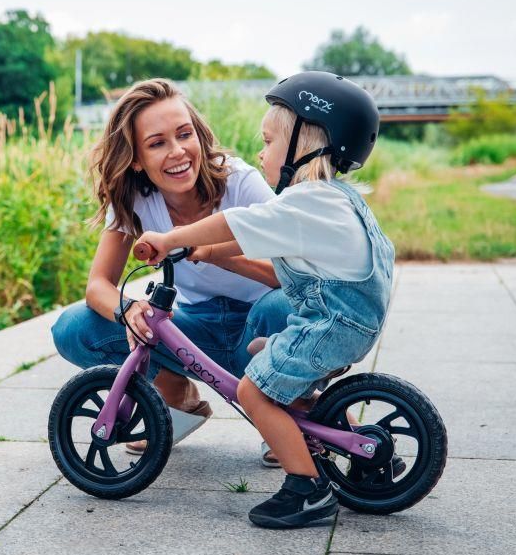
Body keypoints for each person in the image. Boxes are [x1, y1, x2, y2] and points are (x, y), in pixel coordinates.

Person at [134, 71, 395, 529]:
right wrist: (202, 251)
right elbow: (249, 236)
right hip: (342, 321)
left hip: (331, 324)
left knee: (253, 390)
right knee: (260, 351)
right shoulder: (332, 199)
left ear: (303, 146)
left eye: (269, 141)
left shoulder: (305, 202)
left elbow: (235, 223)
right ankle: (354, 446)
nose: (260, 153)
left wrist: (170, 238)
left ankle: (307, 489)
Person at [51, 78, 291, 454]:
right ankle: (172, 390)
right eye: (157, 143)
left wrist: (210, 250)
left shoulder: (240, 182)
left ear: (198, 134)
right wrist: (128, 310)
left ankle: (286, 415)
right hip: (197, 333)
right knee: (75, 327)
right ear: (136, 158)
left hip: (261, 328)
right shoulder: (135, 199)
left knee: (283, 306)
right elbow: (98, 285)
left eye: (184, 134)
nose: (178, 152)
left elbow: (290, 274)